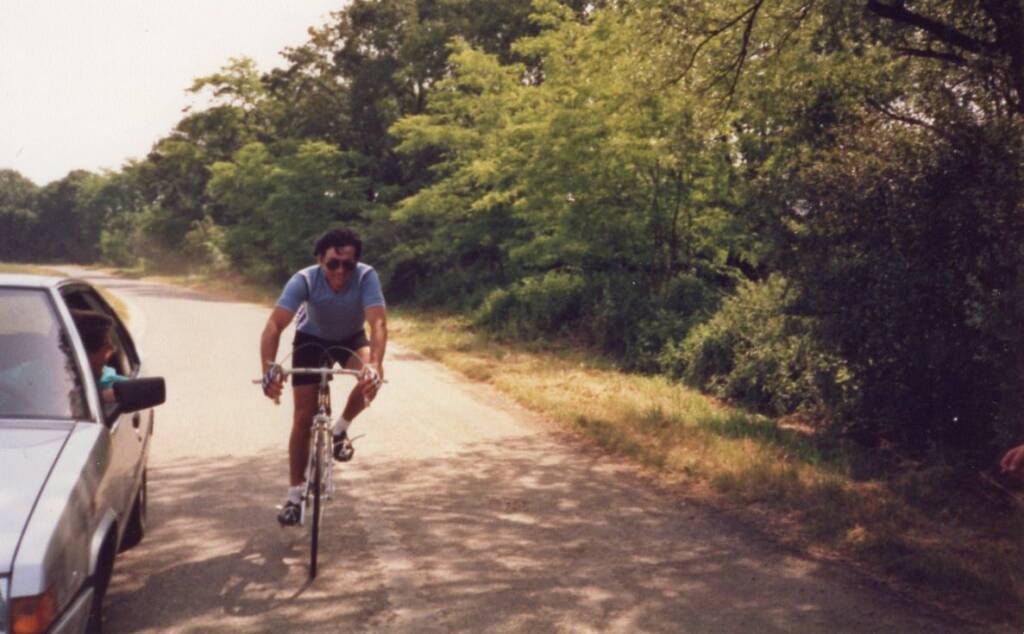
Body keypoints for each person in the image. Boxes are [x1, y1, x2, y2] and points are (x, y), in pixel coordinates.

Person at [260, 227, 387, 526]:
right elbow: (274, 325)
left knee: (372, 378)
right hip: (310, 340)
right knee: (303, 417)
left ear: (356, 263)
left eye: (348, 265)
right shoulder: (304, 279)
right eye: (333, 264)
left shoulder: (366, 277)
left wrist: (374, 364)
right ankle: (294, 498)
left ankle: (340, 429)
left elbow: (378, 324)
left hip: (350, 339)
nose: (341, 271)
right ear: (320, 260)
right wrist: (269, 369)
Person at [70, 309, 128, 403]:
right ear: (85, 353)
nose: (113, 350)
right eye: (107, 346)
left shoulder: (113, 382)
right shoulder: (65, 386)